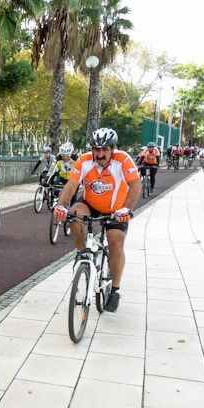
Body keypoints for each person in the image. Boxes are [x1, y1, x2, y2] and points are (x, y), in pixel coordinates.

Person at [53, 128, 142, 312]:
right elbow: (72, 184)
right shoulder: (84, 160)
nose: (100, 154)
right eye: (96, 149)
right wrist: (61, 205)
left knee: (115, 242)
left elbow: (135, 184)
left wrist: (127, 209)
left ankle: (115, 289)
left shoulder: (123, 159)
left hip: (117, 209)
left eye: (105, 149)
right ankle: (82, 254)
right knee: (74, 215)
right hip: (90, 204)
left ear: (113, 149)